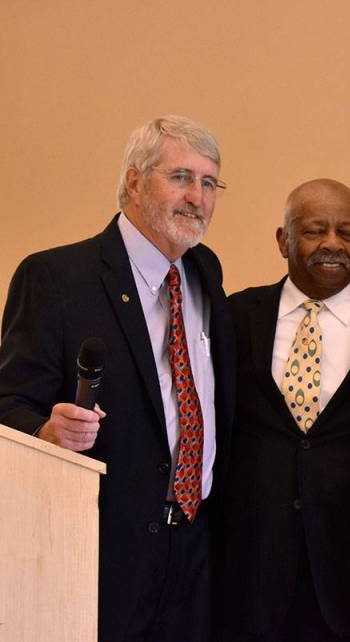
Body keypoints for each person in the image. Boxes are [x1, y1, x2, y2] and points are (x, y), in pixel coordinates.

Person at [0, 115, 235, 641]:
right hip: (99, 557)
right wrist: (45, 431)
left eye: (209, 182)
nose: (197, 196)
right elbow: (8, 403)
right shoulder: (56, 278)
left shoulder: (205, 274)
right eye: (180, 177)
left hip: (194, 555)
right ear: (133, 181)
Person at [213, 179, 350, 642]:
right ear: (283, 239)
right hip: (246, 582)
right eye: (315, 230)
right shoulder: (232, 318)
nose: (333, 244)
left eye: (347, 233)